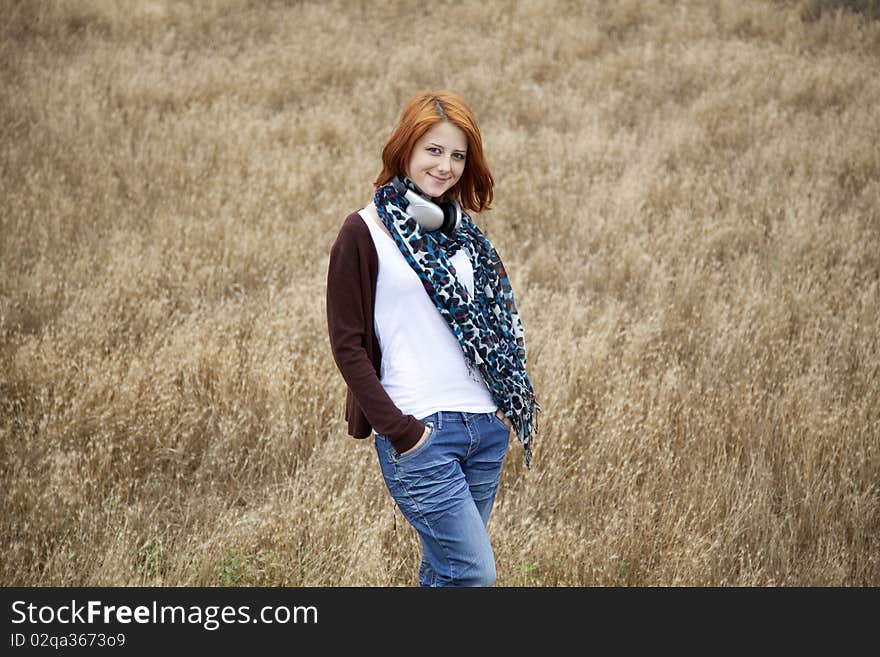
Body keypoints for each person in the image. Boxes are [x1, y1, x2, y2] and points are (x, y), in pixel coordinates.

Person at [326, 90, 539, 587]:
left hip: (485, 428)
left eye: (458, 155)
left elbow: (497, 330)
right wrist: (402, 432)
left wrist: (503, 409)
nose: (445, 166)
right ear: (406, 149)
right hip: (421, 430)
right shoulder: (365, 231)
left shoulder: (467, 238)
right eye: (434, 150)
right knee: (473, 573)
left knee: (445, 572)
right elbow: (347, 344)